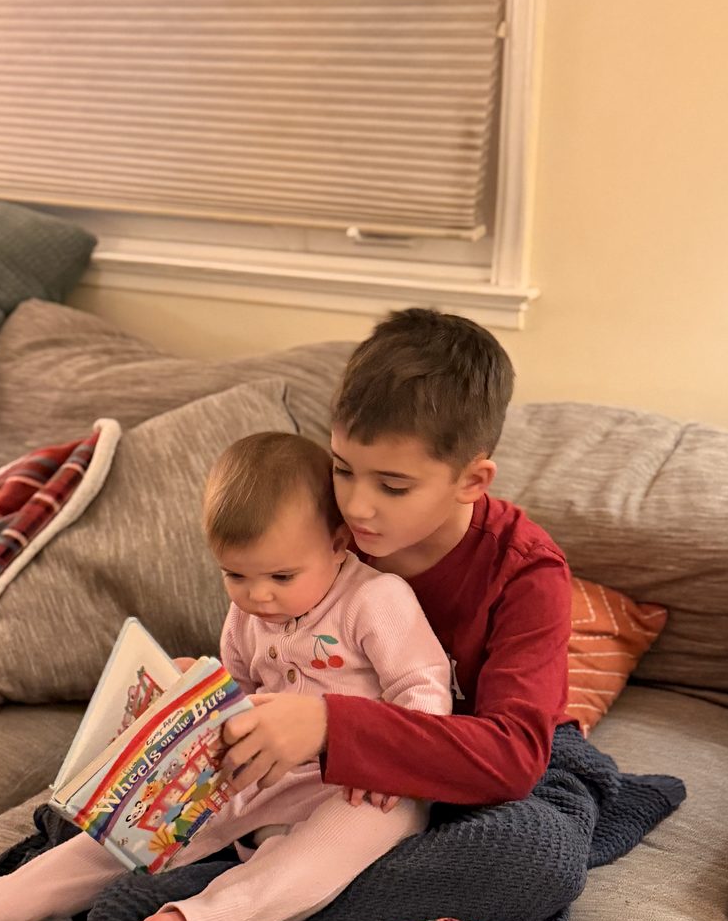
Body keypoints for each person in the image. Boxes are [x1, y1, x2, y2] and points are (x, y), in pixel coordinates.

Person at [0, 432, 452, 921]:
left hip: (366, 785)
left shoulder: (376, 598)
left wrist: (391, 763)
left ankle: (204, 919)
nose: (257, 594)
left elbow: (422, 686)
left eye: (281, 576)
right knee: (152, 815)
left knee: (320, 855)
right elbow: (241, 690)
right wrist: (194, 693)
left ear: (339, 544)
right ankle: (18, 898)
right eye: (235, 575)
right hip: (265, 768)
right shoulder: (247, 615)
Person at [218, 307, 573, 809]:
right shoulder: (322, 519)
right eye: (343, 469)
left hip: (466, 760)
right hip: (316, 772)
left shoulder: (526, 572)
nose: (356, 507)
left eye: (392, 485)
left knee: (532, 849)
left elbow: (510, 758)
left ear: (471, 481)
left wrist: (330, 727)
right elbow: (260, 639)